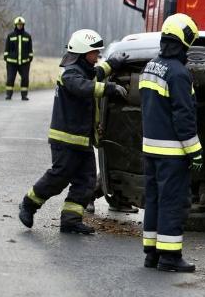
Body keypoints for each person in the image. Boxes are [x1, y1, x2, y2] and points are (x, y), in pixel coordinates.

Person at [18, 29, 129, 234]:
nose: (97, 56)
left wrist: (112, 63)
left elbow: (95, 74)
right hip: (66, 141)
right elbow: (82, 87)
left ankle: (70, 220)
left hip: (83, 141)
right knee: (58, 178)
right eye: (94, 52)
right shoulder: (69, 73)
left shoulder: (84, 70)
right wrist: (108, 89)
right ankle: (28, 204)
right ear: (82, 53)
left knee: (86, 182)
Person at [140, 13, 203, 272]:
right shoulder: (179, 74)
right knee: (172, 203)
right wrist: (195, 152)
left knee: (154, 200)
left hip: (150, 149)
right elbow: (183, 116)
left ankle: (152, 254)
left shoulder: (150, 66)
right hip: (172, 152)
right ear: (183, 41)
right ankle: (170, 257)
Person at [4, 16, 34, 100]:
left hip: (24, 62)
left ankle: (24, 95)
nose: (19, 26)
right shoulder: (10, 35)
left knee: (25, 78)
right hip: (11, 62)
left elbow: (30, 49)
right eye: (18, 24)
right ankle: (8, 95)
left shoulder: (27, 36)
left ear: (23, 25)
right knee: (10, 78)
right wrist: (6, 57)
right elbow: (7, 48)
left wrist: (30, 57)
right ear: (15, 25)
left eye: (21, 24)